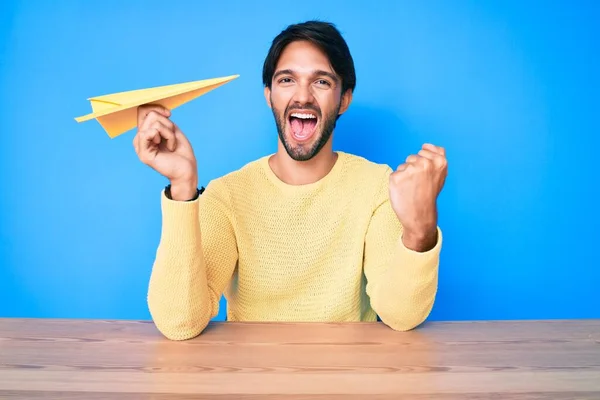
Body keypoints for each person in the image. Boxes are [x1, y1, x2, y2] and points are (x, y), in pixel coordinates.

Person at [133, 20, 448, 341]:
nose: (302, 96)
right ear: (269, 96)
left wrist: (419, 231)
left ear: (344, 99)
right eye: (287, 80)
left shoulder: (378, 186)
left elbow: (402, 315)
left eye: (321, 82)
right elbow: (179, 322)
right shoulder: (227, 195)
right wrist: (183, 187)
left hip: (346, 381)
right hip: (252, 382)